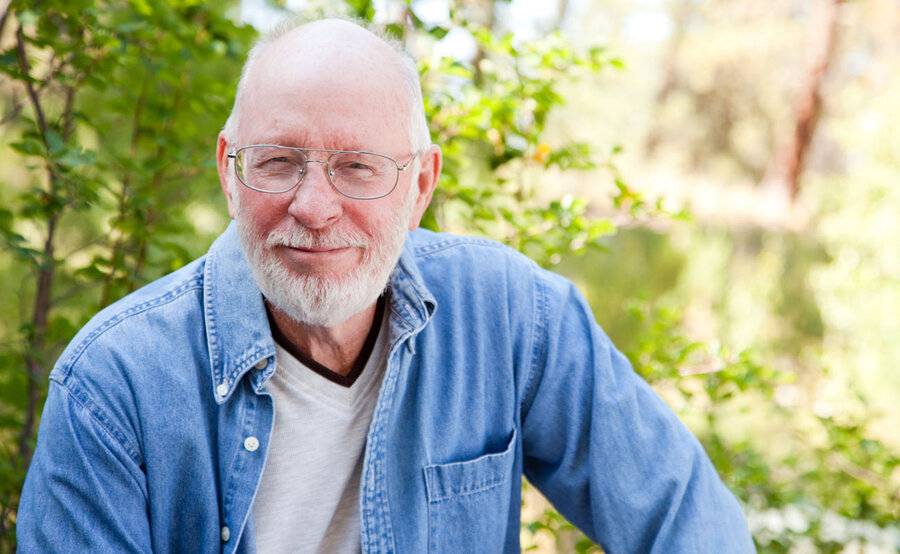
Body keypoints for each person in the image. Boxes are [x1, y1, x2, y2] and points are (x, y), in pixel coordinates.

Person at [17, 17, 755, 554]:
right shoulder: (113, 386)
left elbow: (687, 523)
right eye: (276, 161)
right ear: (228, 170)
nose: (313, 206)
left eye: (358, 167)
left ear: (422, 183)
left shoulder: (511, 317)